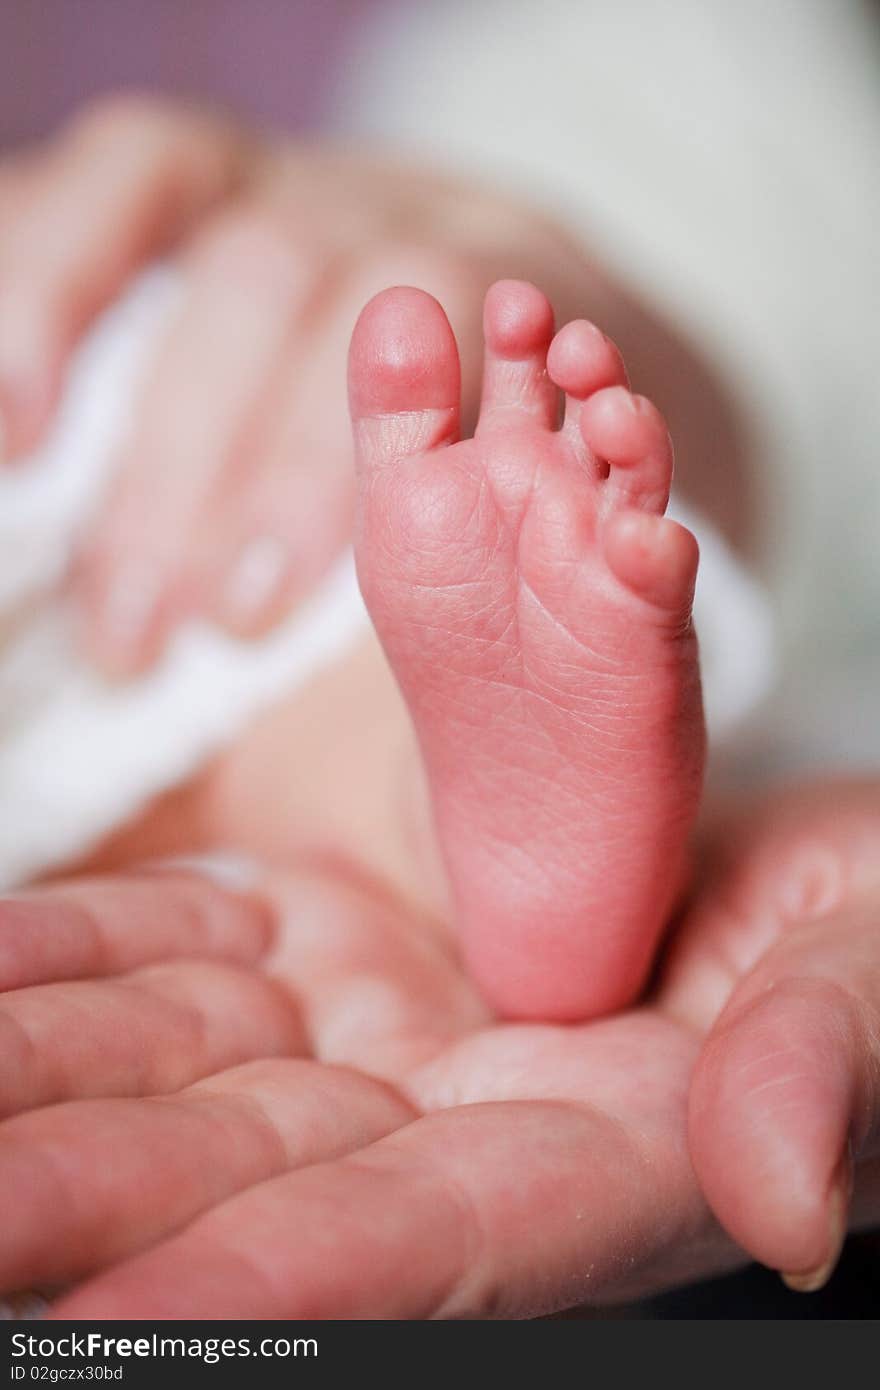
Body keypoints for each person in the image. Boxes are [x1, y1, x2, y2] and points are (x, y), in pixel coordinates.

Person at [0, 100, 876, 1317]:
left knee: (253, 579)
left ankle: (473, 803)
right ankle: (456, 816)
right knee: (292, 692)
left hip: (129, 406)